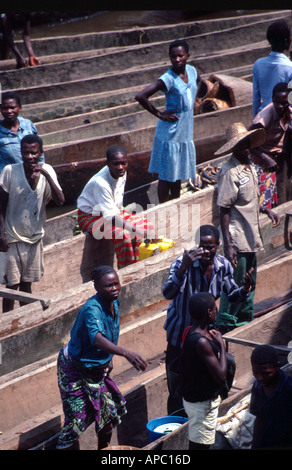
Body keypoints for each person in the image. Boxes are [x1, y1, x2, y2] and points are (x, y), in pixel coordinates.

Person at [162, 224, 253, 415]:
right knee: (177, 383)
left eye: (210, 247)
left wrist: (244, 290)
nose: (206, 251)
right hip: (180, 334)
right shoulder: (182, 264)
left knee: (210, 375)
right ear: (196, 245)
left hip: (206, 334)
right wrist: (184, 268)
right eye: (202, 246)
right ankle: (177, 420)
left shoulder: (223, 266)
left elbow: (232, 293)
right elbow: (168, 293)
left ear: (218, 245)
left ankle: (212, 411)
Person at [56, 265, 147, 450]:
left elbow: (110, 332)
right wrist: (125, 353)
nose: (114, 288)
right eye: (108, 285)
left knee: (108, 413)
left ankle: (103, 449)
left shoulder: (114, 302)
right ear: (96, 287)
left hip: (96, 368)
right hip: (75, 368)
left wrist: (109, 358)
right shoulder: (92, 309)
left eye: (116, 284)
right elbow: (97, 339)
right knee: (76, 419)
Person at [215, 123, 280, 334]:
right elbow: (224, 210)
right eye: (242, 146)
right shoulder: (229, 171)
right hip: (237, 236)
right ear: (233, 148)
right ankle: (227, 323)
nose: (246, 149)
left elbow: (248, 200)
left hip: (251, 235)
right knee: (235, 283)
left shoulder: (248, 165)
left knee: (249, 281)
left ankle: (244, 321)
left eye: (247, 144)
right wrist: (228, 246)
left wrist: (266, 210)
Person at [0, 134, 64, 311]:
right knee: (12, 287)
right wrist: (1, 235)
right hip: (12, 237)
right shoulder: (10, 171)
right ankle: (7, 321)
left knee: (27, 284)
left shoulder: (47, 171)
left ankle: (26, 318)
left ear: (41, 153)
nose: (30, 157)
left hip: (34, 237)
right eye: (26, 153)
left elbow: (60, 200)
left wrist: (45, 174)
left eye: (34, 153)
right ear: (21, 153)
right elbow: (1, 206)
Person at [135, 39, 198, 203]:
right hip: (170, 133)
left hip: (184, 131)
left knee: (176, 175)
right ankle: (165, 208)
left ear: (187, 56)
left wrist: (195, 102)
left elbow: (197, 84)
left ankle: (175, 205)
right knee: (166, 176)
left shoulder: (192, 71)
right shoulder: (168, 78)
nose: (177, 60)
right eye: (173, 57)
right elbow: (141, 96)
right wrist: (160, 114)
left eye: (180, 56)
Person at [77, 145, 156, 269]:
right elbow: (112, 218)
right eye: (116, 164)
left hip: (112, 211)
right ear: (107, 163)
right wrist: (139, 231)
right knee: (123, 235)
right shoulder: (101, 183)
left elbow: (115, 206)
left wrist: (141, 230)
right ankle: (126, 271)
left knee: (147, 225)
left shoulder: (121, 173)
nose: (120, 167)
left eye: (123, 163)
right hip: (90, 217)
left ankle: (138, 264)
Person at [181, 292, 227, 450]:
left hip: (197, 398)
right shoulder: (201, 342)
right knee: (199, 445)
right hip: (201, 405)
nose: (216, 310)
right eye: (215, 308)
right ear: (209, 312)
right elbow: (221, 375)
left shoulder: (190, 332)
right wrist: (221, 345)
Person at [249, 82, 292, 208]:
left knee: (284, 188)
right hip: (262, 156)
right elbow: (247, 142)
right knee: (265, 198)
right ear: (272, 99)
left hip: (280, 155)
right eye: (276, 102)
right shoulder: (263, 119)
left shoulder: (289, 111)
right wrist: (266, 158)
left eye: (284, 103)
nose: (280, 106)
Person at [250, 344, 292, 449]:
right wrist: (254, 445)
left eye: (266, 373)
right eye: (255, 372)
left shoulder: (289, 389)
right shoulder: (257, 387)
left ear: (278, 366)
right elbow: (260, 418)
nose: (260, 378)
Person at [252, 19, 292, 117]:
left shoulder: (258, 64)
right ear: (286, 41)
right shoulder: (289, 67)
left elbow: (256, 99)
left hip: (264, 117)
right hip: (284, 120)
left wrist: (256, 121)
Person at [0, 91, 44, 173]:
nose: (9, 111)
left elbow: (39, 149)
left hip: (34, 173)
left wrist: (41, 169)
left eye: (12, 107)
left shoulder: (28, 124)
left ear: (19, 107)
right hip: (11, 176)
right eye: (5, 108)